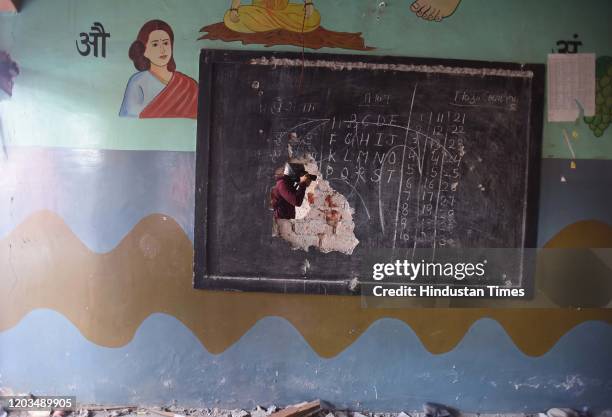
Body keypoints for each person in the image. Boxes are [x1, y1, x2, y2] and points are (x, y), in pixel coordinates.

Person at [119, 20, 198, 119]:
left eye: (166, 43)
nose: (162, 50)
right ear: (144, 51)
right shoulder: (137, 82)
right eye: (155, 44)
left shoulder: (188, 85)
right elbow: (128, 120)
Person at [224, 0, 321, 34]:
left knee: (314, 16)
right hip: (260, 12)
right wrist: (234, 9)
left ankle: (276, 22)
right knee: (230, 17)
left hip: (283, 11)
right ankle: (281, 22)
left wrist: (308, 2)